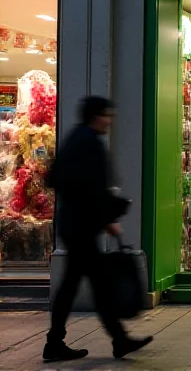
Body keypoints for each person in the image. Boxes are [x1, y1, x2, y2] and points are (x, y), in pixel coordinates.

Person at [43, 97, 152, 363]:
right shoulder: (89, 143)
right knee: (92, 286)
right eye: (107, 115)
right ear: (96, 115)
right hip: (82, 226)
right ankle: (112, 339)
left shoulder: (74, 139)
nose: (110, 121)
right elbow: (92, 188)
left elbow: (53, 177)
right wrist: (107, 217)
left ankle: (108, 340)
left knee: (82, 285)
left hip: (73, 223)